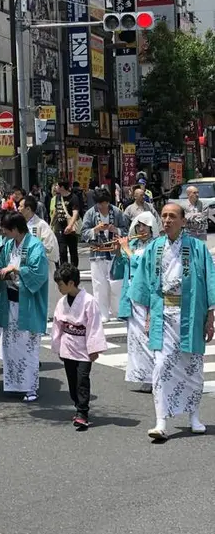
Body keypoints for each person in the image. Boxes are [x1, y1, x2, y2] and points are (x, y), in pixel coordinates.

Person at [129, 203, 215, 442]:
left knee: (192, 367)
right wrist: (147, 315)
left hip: (191, 314)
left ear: (183, 221)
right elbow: (144, 284)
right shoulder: (154, 248)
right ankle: (161, 421)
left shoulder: (197, 248)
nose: (167, 220)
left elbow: (210, 281)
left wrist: (210, 316)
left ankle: (194, 416)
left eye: (172, 216)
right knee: (161, 365)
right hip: (162, 314)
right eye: (164, 216)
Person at [0, 212, 49, 402]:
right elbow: (0, 265)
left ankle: (30, 388)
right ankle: (14, 384)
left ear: (15, 229)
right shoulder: (8, 245)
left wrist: (16, 269)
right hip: (9, 301)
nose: (3, 232)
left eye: (5, 229)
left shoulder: (35, 245)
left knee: (28, 345)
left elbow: (39, 272)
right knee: (11, 345)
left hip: (26, 303)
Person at [51, 263, 107, 430]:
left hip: (83, 347)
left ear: (71, 283)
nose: (59, 288)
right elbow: (58, 325)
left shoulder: (89, 301)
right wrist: (58, 345)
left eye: (61, 284)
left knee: (82, 379)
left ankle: (83, 412)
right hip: (68, 345)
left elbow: (94, 325)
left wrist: (94, 348)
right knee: (72, 381)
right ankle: (78, 405)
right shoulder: (62, 302)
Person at [112, 212, 158, 391]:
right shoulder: (133, 244)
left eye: (144, 226)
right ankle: (142, 375)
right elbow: (121, 266)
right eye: (138, 225)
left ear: (151, 227)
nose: (141, 229)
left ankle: (154, 377)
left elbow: (143, 264)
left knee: (147, 336)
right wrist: (118, 249)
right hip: (130, 293)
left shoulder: (155, 246)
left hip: (145, 294)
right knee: (135, 338)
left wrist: (127, 250)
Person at [81, 187, 129, 322]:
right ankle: (102, 313)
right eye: (100, 204)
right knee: (99, 285)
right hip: (97, 253)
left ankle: (118, 311)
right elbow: (83, 233)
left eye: (105, 203)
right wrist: (95, 230)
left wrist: (115, 229)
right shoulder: (90, 213)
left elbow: (126, 230)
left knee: (116, 284)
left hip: (115, 252)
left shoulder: (117, 212)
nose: (103, 206)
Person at [19, 195, 58, 288]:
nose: (18, 208)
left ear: (28, 209)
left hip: (40, 266)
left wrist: (34, 254)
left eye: (20, 206)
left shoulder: (41, 225)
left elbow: (50, 246)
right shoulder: (19, 224)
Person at [51, 180, 80, 266]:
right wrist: (51, 225)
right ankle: (64, 270)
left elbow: (75, 213)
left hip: (71, 229)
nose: (55, 187)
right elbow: (55, 212)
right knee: (62, 251)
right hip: (59, 228)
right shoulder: (57, 197)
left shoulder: (73, 197)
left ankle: (74, 269)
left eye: (57, 186)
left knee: (73, 251)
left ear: (62, 187)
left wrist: (70, 225)